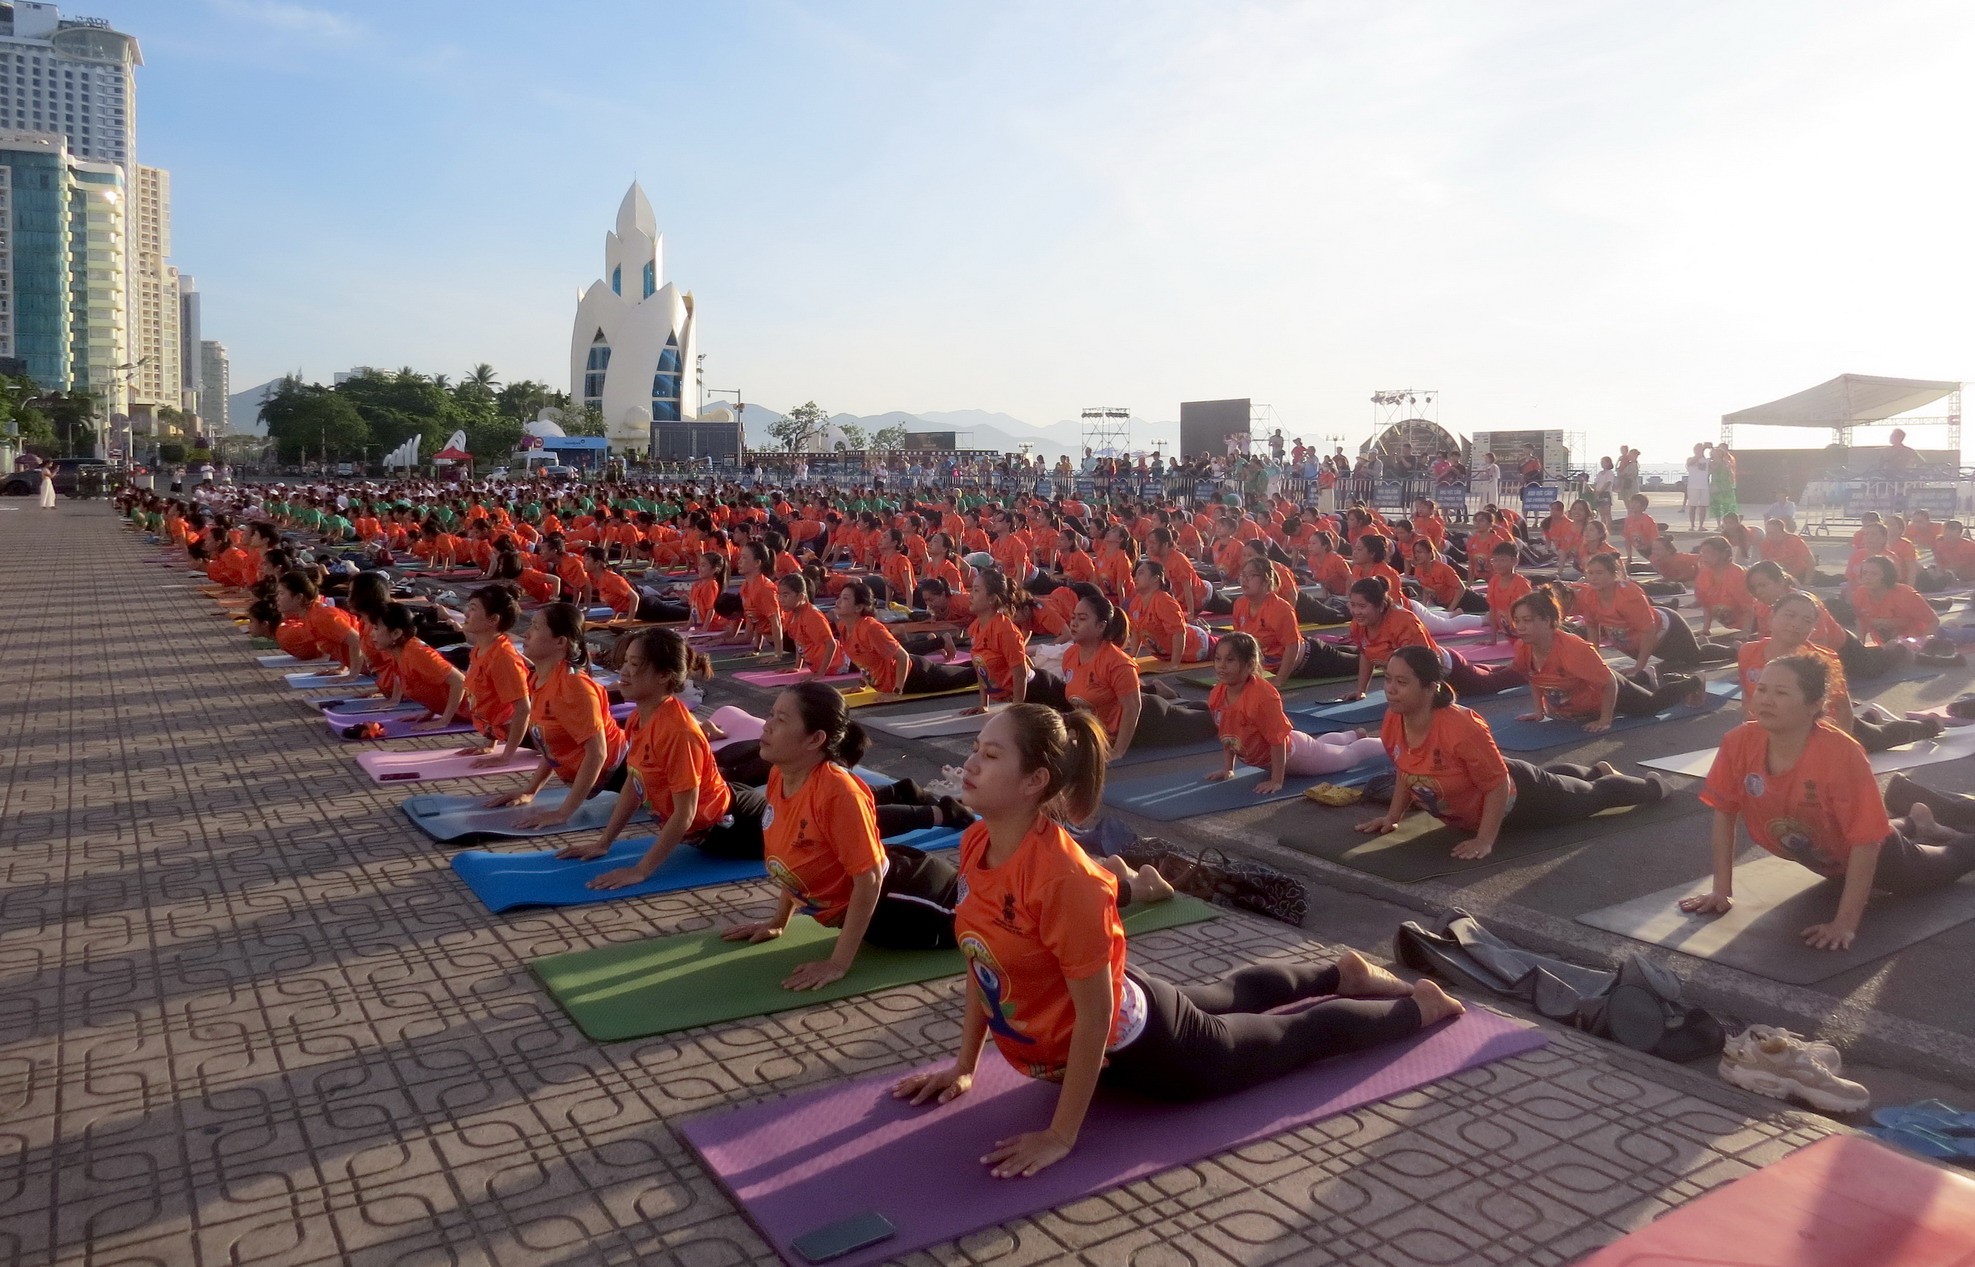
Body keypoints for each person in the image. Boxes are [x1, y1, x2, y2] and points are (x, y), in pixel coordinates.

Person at [892, 704, 1464, 1176]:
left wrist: (1061, 1136)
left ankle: (1422, 1006)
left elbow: (1095, 1018)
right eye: (976, 748)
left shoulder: (1067, 882)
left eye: (990, 755)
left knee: (1291, 1038)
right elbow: (981, 961)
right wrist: (963, 1065)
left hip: (1147, 1045)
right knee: (1223, 993)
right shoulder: (976, 847)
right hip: (1117, 997)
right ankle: (1343, 973)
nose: (969, 763)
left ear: (1035, 781)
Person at [1685, 654, 1975, 951]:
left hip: (1879, 857)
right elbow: (1725, 813)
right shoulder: (1738, 742)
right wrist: (1722, 890)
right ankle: (1918, 821)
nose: (1766, 700)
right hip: (1829, 856)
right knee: (1860, 828)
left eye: (1781, 693)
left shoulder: (1841, 754)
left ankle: (1945, 836)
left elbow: (1867, 843)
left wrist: (1844, 925)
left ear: (1813, 706)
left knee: (1949, 861)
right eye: (1762, 689)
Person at [1355, 646, 1671, 860]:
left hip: (1520, 797)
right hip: (1492, 784)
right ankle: (1596, 770)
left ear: (1429, 688)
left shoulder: (1461, 727)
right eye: (1388, 680)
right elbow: (1405, 769)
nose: (1390, 689)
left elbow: (1497, 785)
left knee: (1593, 798)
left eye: (1402, 682)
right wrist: (1392, 817)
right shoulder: (1393, 720)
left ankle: (1655, 787)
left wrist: (1485, 840)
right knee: (1567, 783)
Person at [557, 626, 765, 886]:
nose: (623, 671)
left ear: (664, 675)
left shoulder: (678, 732)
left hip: (741, 827)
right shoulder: (638, 718)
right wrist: (603, 843)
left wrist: (641, 870)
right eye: (624, 662)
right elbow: (635, 782)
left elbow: (685, 814)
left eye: (634, 664)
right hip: (719, 805)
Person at [484, 603, 630, 829]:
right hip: (616, 777)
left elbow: (598, 754)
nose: (526, 633)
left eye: (536, 627)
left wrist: (563, 813)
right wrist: (530, 791)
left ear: (560, 642)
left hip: (634, 772)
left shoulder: (574, 686)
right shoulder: (538, 680)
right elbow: (550, 744)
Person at [1736, 592, 1940, 753]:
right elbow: (1749, 699)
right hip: (1781, 731)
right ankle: (1869, 716)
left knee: (1878, 737)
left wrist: (1840, 752)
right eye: (1789, 615)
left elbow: (1843, 710)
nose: (1796, 624)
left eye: (1806, 621)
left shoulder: (1822, 660)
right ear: (1772, 616)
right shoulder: (1748, 652)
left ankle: (1930, 725)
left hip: (1826, 728)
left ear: (1812, 628)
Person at [1029, 586, 1216, 757]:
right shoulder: (1070, 655)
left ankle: (1229, 705)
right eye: (1073, 617)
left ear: (1101, 626)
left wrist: (1119, 750)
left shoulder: (1117, 662)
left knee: (1216, 721)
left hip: (1149, 721)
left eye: (1082, 618)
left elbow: (1132, 708)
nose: (1074, 623)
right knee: (1199, 709)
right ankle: (1200, 704)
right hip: (1112, 729)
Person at [1205, 633, 1383, 791]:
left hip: (1297, 755)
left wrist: (1276, 781)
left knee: (1350, 756)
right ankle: (1354, 734)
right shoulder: (1217, 694)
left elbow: (1278, 741)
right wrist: (1228, 768)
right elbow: (1228, 733)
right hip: (1289, 752)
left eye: (1230, 660)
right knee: (1320, 746)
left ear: (1249, 664)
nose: (1221, 666)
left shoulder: (1262, 696)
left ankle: (1390, 743)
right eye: (1218, 659)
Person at [1511, 587, 1705, 732]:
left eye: (1527, 620)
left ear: (1548, 621)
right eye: (1517, 620)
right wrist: (1538, 712)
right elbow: (1534, 678)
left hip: (1608, 694)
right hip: (1579, 706)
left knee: (1650, 706)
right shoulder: (1523, 648)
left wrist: (1605, 720)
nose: (1520, 627)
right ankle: (1644, 677)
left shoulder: (1574, 650)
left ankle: (1694, 682)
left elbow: (1610, 683)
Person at [453, 583, 533, 763]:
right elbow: (496, 701)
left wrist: (506, 757)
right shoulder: (481, 648)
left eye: (473, 609)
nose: (466, 613)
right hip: (504, 731)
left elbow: (523, 709)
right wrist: (491, 743)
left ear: (493, 619)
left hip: (536, 733)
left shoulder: (503, 657)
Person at [1684, 443, 1711, 532]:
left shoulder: (1706, 460)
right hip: (1693, 486)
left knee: (1703, 506)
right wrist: (1698, 454)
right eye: (1697, 449)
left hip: (1704, 486)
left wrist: (1709, 448)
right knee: (1692, 506)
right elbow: (1690, 463)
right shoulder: (1690, 459)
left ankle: (1701, 525)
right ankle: (1692, 525)